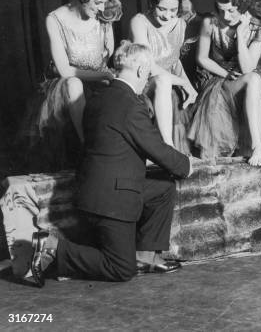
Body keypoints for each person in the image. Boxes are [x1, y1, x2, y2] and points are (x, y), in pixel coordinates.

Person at [28, 41, 192, 286]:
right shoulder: (129, 105)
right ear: (139, 70)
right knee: (120, 268)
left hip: (96, 188)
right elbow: (157, 149)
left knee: (162, 189)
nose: (147, 78)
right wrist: (186, 165)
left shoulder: (100, 96)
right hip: (111, 199)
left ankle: (145, 256)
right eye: (148, 73)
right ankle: (52, 248)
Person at [20, 0, 121, 171]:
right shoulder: (55, 19)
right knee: (74, 84)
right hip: (66, 83)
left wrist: (109, 73)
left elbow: (107, 56)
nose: (102, 8)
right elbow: (66, 71)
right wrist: (104, 75)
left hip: (98, 79)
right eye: (97, 3)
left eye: (105, 1)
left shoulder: (104, 13)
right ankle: (89, 149)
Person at [187, 0, 261, 166]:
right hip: (219, 78)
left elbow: (247, 68)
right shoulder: (210, 22)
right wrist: (225, 73)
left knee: (253, 78)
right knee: (251, 79)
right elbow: (202, 58)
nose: (225, 16)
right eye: (221, 9)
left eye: (231, 10)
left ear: (243, 6)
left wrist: (240, 36)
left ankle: (257, 146)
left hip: (248, 74)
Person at [130, 0, 198, 150]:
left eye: (173, 10)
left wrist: (188, 85)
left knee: (172, 89)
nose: (167, 15)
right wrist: (182, 82)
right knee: (163, 81)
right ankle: (168, 149)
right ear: (153, 3)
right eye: (162, 9)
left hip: (166, 84)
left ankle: (172, 150)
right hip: (142, 83)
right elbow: (149, 67)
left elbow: (174, 62)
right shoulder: (139, 21)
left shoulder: (181, 24)